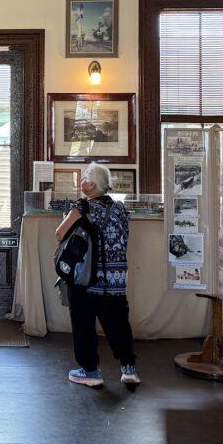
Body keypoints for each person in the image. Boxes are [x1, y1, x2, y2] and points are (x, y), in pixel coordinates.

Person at [55, 162, 139, 387]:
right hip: (116, 279)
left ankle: (90, 371)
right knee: (119, 323)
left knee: (83, 323)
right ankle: (128, 369)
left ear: (91, 184)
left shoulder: (82, 206)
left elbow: (60, 233)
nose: (82, 181)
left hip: (87, 277)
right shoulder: (120, 208)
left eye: (84, 178)